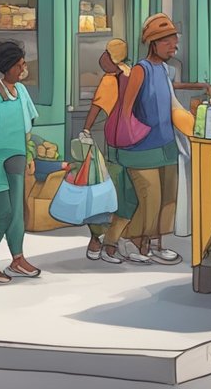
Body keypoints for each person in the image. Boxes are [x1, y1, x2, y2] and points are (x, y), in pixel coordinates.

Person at [101, 14, 184, 266]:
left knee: (168, 198)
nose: (173, 46)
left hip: (166, 144)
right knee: (151, 198)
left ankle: (156, 244)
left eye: (174, 41)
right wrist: (129, 139)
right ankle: (141, 244)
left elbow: (168, 96)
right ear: (153, 43)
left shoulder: (165, 69)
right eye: (167, 41)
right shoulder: (141, 69)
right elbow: (126, 109)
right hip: (142, 147)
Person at [0, 41, 41, 283]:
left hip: (17, 156)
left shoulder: (22, 92)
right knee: (2, 212)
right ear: (8, 67)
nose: (24, 68)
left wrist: (30, 154)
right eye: (20, 65)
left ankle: (17, 258)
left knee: (17, 212)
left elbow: (28, 127)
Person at [80, 40, 131, 261]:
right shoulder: (130, 73)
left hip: (106, 138)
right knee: (122, 190)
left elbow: (96, 107)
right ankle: (112, 240)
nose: (101, 58)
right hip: (127, 139)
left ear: (112, 58)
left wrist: (86, 129)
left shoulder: (110, 81)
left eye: (106, 54)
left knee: (101, 188)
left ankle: (96, 240)